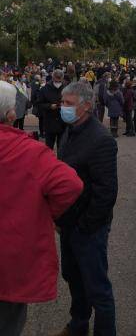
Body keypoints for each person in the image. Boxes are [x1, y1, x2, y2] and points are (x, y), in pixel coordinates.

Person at [0, 80, 83, 336]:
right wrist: (47, 212)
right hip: (10, 261)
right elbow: (70, 185)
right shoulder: (30, 152)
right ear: (11, 114)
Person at [54, 81, 118, 336]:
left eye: (68, 104)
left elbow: (106, 192)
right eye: (62, 102)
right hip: (69, 223)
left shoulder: (101, 140)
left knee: (97, 287)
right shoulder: (71, 129)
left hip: (89, 227)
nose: (63, 108)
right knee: (73, 277)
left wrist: (86, 225)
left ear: (87, 106)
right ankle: (78, 324)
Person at [38, 69, 65, 149]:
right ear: (52, 78)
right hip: (50, 122)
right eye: (56, 79)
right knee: (49, 147)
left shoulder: (66, 88)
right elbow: (39, 104)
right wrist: (49, 106)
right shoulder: (44, 89)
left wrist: (65, 105)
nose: (58, 82)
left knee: (62, 147)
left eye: (59, 80)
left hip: (63, 122)